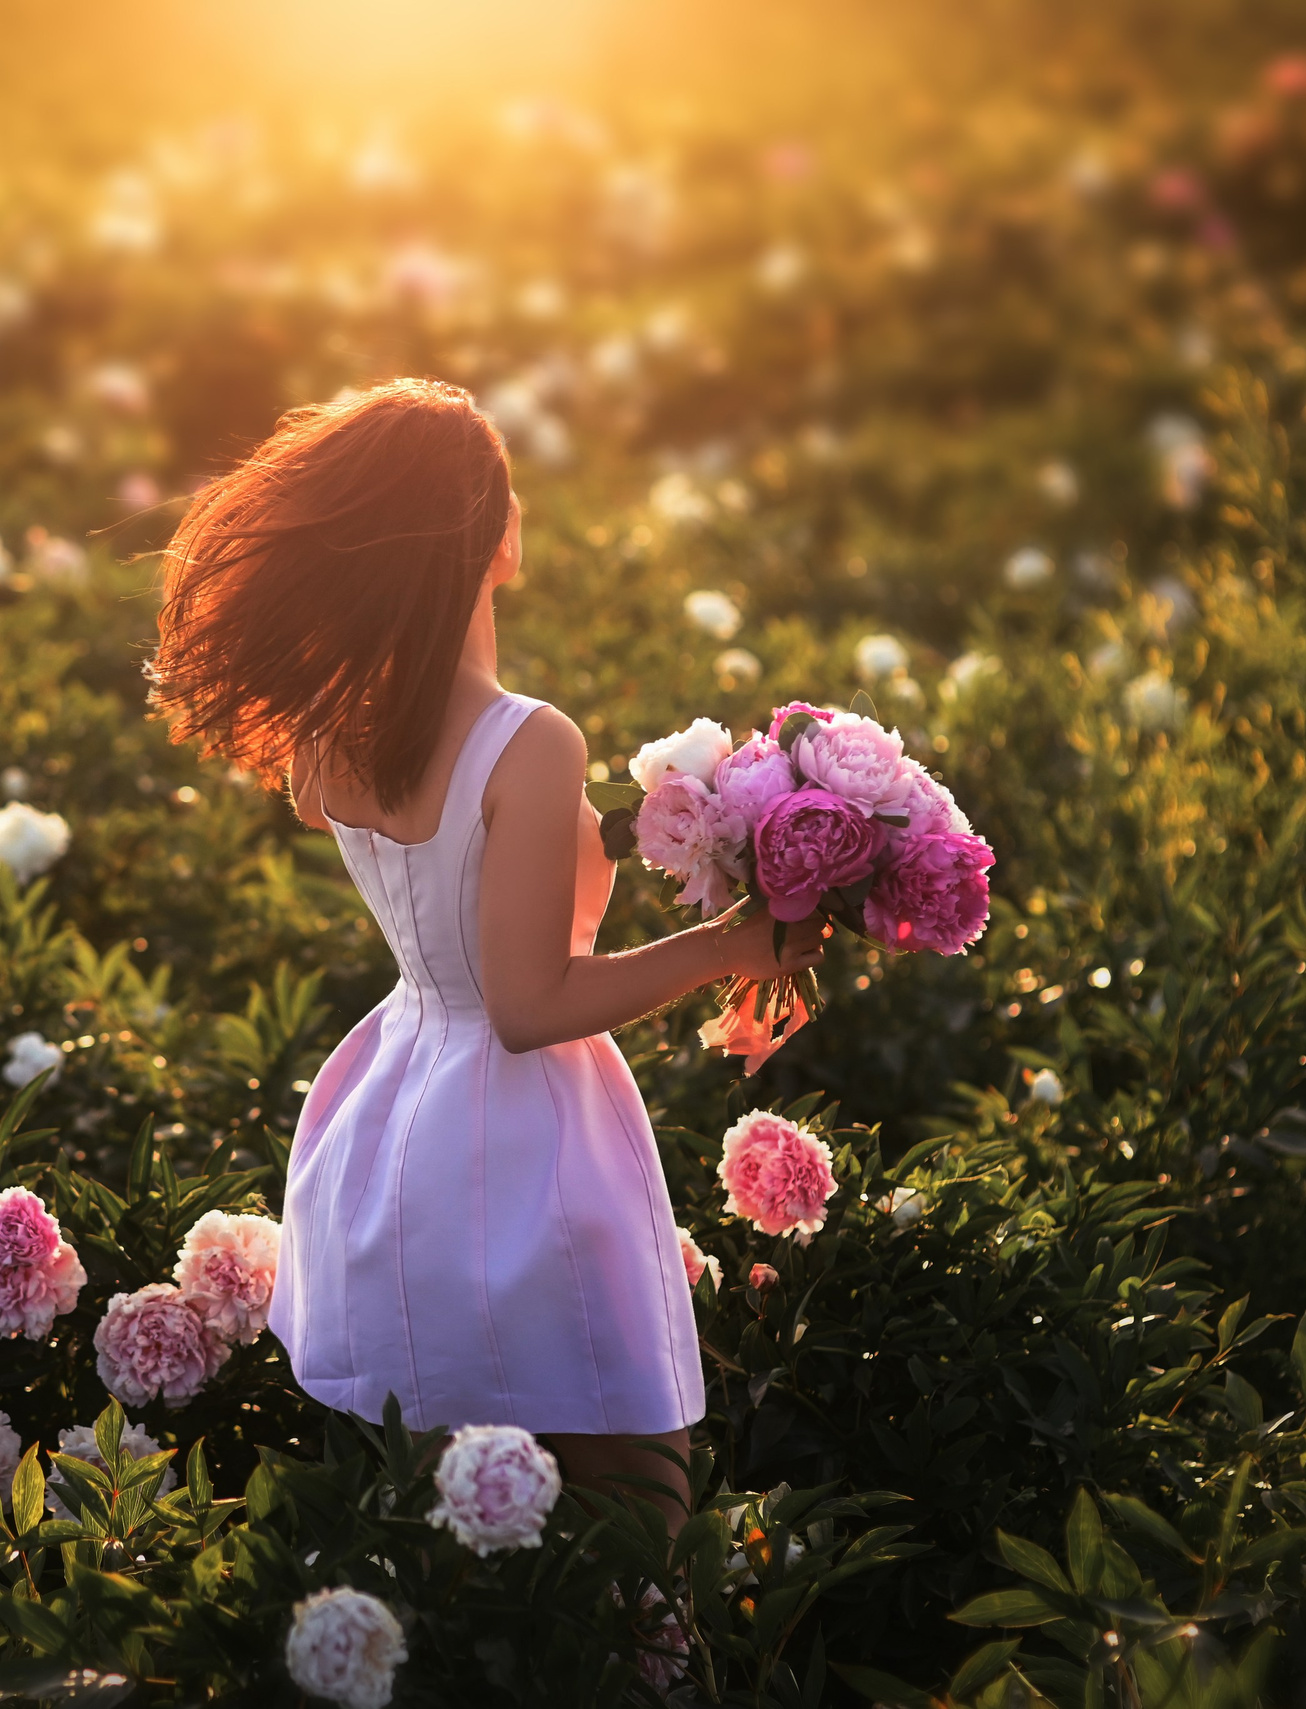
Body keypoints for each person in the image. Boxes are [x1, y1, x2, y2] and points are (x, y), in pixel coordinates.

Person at [147, 377, 826, 1528]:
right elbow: (527, 999)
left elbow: (456, 871)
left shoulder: (330, 731)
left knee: (451, 1520)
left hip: (394, 1116)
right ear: (497, 539)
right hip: (525, 1142)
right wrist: (728, 944)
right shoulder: (530, 736)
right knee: (634, 1507)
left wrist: (627, 832)